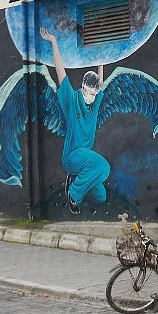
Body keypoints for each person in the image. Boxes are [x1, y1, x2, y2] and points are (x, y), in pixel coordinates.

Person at [40, 27, 109, 214]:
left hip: (85, 159)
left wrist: (100, 61)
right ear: (83, 88)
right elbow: (60, 73)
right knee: (103, 167)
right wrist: (53, 41)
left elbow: (100, 82)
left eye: (95, 94)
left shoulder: (94, 105)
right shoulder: (71, 100)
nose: (93, 96)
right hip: (72, 156)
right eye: (90, 92)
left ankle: (75, 181)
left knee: (101, 196)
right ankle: (73, 193)